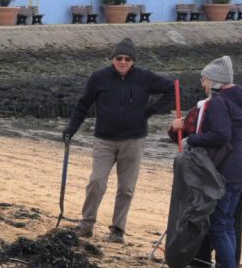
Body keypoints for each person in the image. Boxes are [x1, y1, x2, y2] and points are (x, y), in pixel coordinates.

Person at [62, 38, 176, 241]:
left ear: (133, 61)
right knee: (96, 181)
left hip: (134, 141)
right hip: (104, 140)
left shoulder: (145, 77)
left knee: (126, 188)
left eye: (128, 58)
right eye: (119, 58)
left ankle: (117, 230)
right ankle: (86, 224)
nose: (123, 62)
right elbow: (83, 104)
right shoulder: (99, 78)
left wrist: (150, 111)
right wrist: (71, 129)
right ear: (112, 59)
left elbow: (173, 89)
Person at [185, 56, 242, 268]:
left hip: (228, 169)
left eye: (204, 79)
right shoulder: (240, 102)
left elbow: (220, 135)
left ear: (215, 82)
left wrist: (190, 138)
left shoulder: (218, 103)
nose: (202, 83)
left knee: (220, 222)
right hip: (241, 169)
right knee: (227, 221)